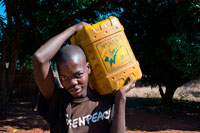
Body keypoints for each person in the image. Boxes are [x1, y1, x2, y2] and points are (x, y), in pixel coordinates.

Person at [32, 22, 135, 133]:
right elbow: (39, 59)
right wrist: (73, 29)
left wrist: (120, 99)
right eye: (64, 78)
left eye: (78, 75)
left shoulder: (107, 99)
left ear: (88, 68)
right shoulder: (58, 101)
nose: (73, 82)